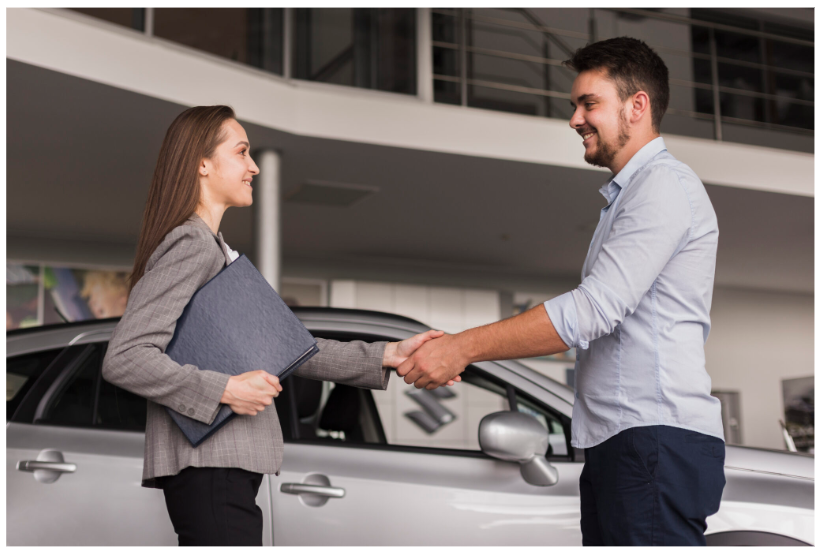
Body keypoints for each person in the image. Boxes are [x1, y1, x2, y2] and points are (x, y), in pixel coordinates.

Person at [397, 37, 725, 546]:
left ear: (637, 106)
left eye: (588, 103)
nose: (574, 119)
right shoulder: (628, 197)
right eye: (575, 106)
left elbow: (592, 310)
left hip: (653, 440)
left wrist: (461, 347)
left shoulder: (664, 186)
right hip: (626, 441)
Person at [102, 105, 457, 546]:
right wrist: (225, 390)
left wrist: (388, 354)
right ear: (202, 163)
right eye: (242, 152)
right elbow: (125, 358)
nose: (253, 166)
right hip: (212, 466)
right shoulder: (191, 244)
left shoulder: (212, 248)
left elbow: (288, 348)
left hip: (221, 466)